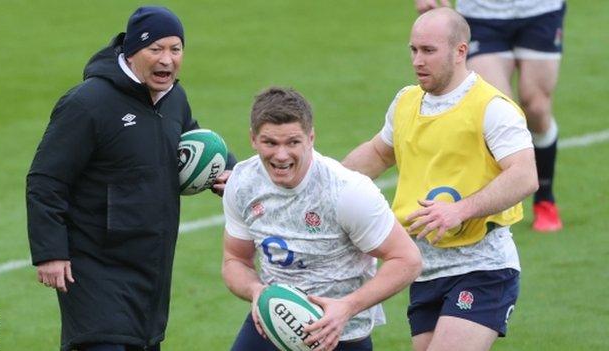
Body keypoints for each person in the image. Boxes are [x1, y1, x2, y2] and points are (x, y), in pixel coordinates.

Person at [26, 6, 235, 351]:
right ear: (131, 51)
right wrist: (50, 252)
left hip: (151, 267)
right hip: (94, 267)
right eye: (156, 49)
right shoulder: (88, 103)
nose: (167, 59)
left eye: (175, 49)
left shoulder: (173, 100)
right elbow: (46, 180)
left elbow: (197, 142)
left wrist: (232, 174)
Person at [342, 8, 538, 351]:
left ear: (460, 51)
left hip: (482, 267)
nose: (418, 60)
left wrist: (460, 210)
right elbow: (377, 153)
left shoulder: (492, 107)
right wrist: (325, 185)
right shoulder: (406, 102)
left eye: (428, 51)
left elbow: (524, 175)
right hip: (424, 268)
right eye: (414, 50)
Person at [221, 87, 422, 351]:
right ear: (253, 139)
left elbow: (407, 260)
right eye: (270, 143)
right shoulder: (243, 182)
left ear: (311, 138)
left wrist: (347, 307)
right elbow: (235, 259)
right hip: (273, 327)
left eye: (293, 142)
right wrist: (256, 292)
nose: (281, 155)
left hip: (339, 335)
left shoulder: (346, 191)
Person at [414, 0, 566, 232]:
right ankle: (494, 207)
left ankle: (544, 197)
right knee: (497, 106)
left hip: (540, 10)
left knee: (536, 107)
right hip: (481, 13)